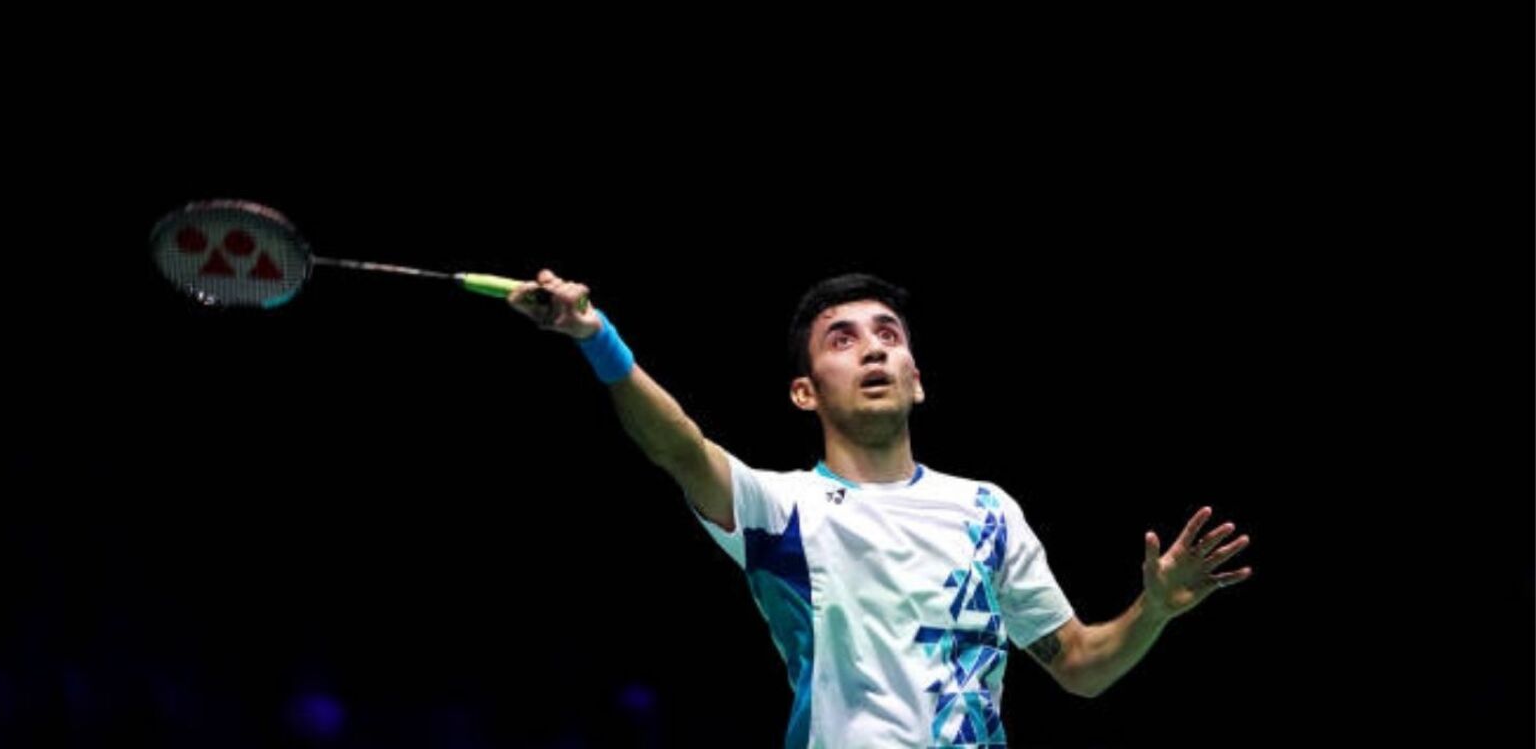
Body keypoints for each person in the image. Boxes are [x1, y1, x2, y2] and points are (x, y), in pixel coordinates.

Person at [508, 269, 1251, 748]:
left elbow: (1082, 667)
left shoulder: (987, 510)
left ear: (916, 380)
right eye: (843, 339)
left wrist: (1154, 608)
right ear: (806, 391)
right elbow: (679, 448)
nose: (872, 350)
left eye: (888, 337)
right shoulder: (781, 508)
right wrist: (596, 338)